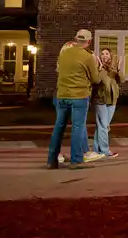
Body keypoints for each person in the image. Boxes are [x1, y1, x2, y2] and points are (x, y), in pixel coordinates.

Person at [47, 29, 104, 169]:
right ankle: (76, 160)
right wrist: (100, 69)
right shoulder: (87, 56)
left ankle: (52, 160)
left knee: (59, 127)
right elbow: (96, 79)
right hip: (79, 96)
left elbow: (59, 70)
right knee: (78, 128)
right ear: (89, 41)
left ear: (76, 39)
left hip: (62, 95)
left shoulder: (64, 53)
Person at [92, 47, 121, 158]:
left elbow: (122, 80)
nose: (104, 56)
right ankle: (104, 150)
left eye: (107, 54)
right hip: (101, 100)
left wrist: (118, 70)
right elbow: (99, 80)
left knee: (103, 126)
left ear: (110, 55)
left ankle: (96, 149)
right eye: (102, 54)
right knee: (103, 125)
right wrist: (100, 68)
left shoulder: (113, 69)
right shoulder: (97, 68)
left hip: (112, 100)